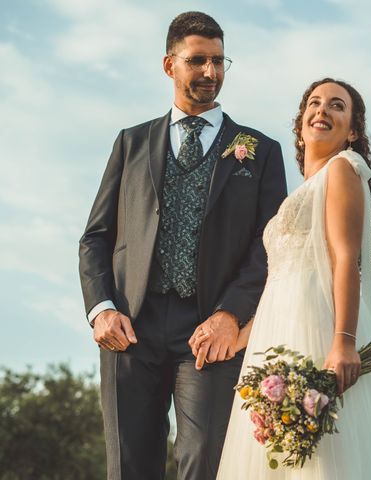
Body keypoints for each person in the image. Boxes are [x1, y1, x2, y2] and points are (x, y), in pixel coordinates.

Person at [78, 11, 287, 479]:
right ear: (169, 65)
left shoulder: (260, 150)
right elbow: (96, 237)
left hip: (210, 329)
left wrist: (229, 315)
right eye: (198, 61)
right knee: (129, 465)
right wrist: (102, 309)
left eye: (218, 61)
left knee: (204, 460)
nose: (211, 72)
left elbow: (267, 246)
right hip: (130, 327)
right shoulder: (130, 143)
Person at [213, 78, 371, 478]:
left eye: (337, 106)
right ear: (300, 125)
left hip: (320, 336)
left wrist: (344, 343)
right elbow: (282, 280)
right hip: (275, 340)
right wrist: (239, 335)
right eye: (314, 104)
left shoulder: (341, 169)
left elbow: (346, 259)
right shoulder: (298, 194)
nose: (322, 111)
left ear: (352, 131)